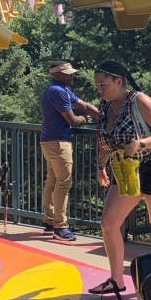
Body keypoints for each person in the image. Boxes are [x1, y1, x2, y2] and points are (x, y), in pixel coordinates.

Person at [89, 60, 151, 295]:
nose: (100, 90)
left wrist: (141, 143)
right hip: (125, 170)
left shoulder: (139, 100)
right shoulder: (105, 106)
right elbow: (104, 140)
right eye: (97, 86)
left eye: (103, 85)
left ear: (119, 81)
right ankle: (116, 280)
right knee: (108, 224)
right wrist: (101, 166)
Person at [39, 61, 100, 242]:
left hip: (50, 141)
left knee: (52, 181)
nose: (72, 76)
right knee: (63, 183)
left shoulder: (60, 89)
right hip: (58, 142)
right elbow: (72, 120)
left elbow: (84, 105)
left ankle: (50, 221)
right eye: (68, 74)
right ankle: (60, 226)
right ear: (56, 75)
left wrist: (104, 116)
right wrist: (83, 119)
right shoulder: (57, 91)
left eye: (72, 73)